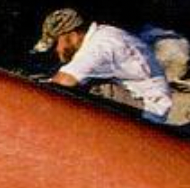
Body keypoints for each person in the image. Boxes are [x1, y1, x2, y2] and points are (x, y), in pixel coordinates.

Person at [33, 8, 173, 123]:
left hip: (149, 110)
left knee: (80, 91)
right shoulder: (102, 34)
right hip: (146, 99)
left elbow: (62, 82)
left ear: (73, 36)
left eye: (56, 45)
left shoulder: (100, 47)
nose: (56, 51)